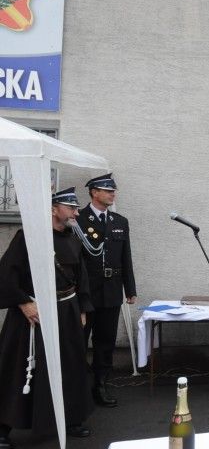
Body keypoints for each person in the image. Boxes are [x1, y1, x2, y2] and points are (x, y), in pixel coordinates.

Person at [0, 188, 94, 449]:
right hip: (33, 313)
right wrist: (23, 302)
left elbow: (81, 277)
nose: (76, 212)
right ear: (54, 209)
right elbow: (7, 273)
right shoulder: (27, 238)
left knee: (71, 365)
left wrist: (83, 308)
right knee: (21, 366)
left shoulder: (74, 239)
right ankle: (3, 426)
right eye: (71, 207)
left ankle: (72, 419)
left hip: (67, 311)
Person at [79, 173, 136, 408]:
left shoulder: (120, 222)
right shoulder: (79, 219)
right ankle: (77, 386)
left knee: (105, 342)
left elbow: (126, 257)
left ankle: (100, 385)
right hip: (86, 292)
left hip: (111, 291)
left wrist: (129, 289)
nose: (112, 194)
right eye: (107, 190)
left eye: (113, 190)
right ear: (94, 192)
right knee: (79, 340)